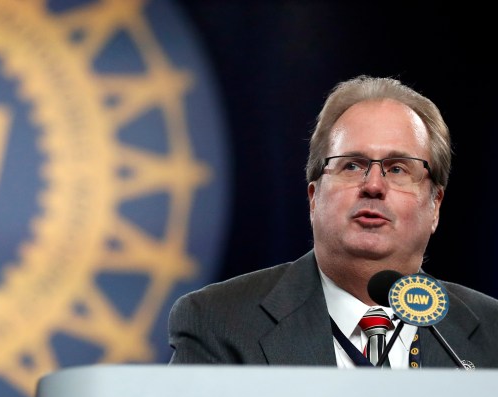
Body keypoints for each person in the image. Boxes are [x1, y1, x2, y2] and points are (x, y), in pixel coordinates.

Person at [168, 75, 498, 369]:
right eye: (352, 166)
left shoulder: (491, 333)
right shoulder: (219, 322)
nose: (373, 185)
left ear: (435, 206)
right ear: (314, 198)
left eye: (398, 169)